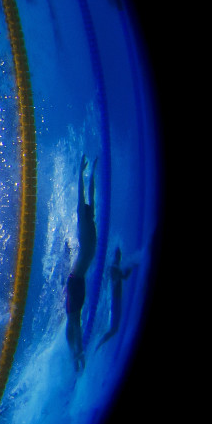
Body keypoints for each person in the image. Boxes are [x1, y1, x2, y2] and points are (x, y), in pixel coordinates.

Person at [65, 156, 97, 368]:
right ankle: (74, 354)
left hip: (80, 280)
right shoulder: (84, 224)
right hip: (75, 280)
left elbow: (91, 196)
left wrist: (92, 171)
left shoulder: (91, 222)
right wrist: (80, 173)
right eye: (89, 210)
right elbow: (82, 198)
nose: (91, 209)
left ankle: (77, 352)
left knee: (77, 319)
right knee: (73, 320)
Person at [99, 246, 138, 345]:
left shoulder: (114, 267)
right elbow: (124, 276)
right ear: (117, 256)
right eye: (119, 255)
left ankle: (100, 343)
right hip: (116, 299)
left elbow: (121, 277)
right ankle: (99, 344)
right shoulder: (114, 267)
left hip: (116, 298)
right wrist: (133, 265)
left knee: (115, 328)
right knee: (114, 329)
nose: (120, 257)